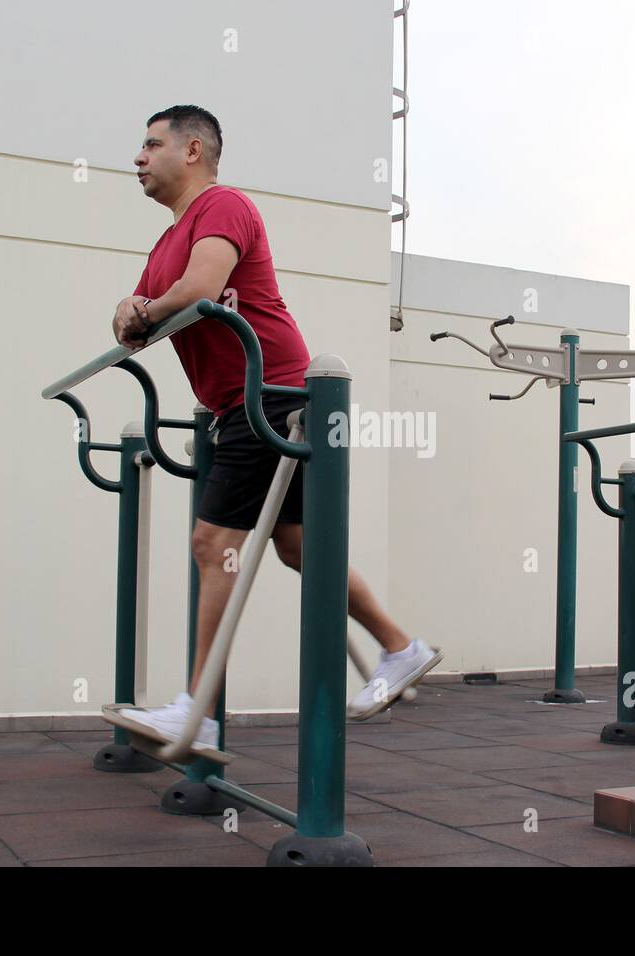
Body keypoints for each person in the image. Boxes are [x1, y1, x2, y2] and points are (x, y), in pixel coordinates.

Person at [111, 105, 439, 750]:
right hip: (255, 402)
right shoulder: (164, 246)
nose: (139, 159)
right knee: (297, 546)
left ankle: (197, 711)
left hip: (267, 396)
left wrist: (144, 308)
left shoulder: (223, 206)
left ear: (194, 150)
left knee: (213, 544)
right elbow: (132, 331)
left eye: (152, 145)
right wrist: (128, 308)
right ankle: (402, 648)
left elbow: (200, 287)